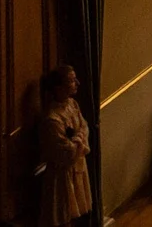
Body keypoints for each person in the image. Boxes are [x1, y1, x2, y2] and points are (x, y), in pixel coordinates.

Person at [36, 65, 93, 227]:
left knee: (77, 213)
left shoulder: (73, 105)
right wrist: (79, 140)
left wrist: (77, 138)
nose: (77, 83)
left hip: (77, 167)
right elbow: (64, 150)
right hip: (62, 175)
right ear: (58, 87)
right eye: (71, 81)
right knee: (63, 214)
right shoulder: (52, 119)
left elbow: (84, 127)